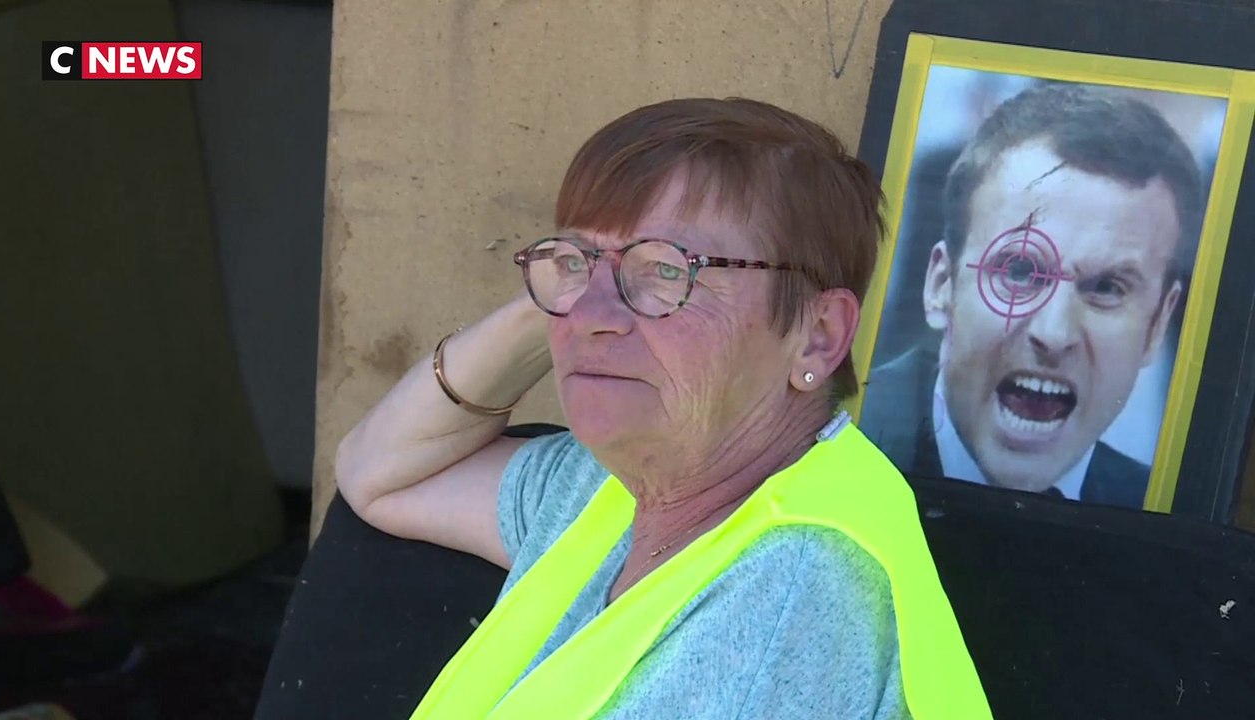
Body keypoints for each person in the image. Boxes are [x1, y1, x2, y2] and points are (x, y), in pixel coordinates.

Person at [336, 97, 990, 718]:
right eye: (572, 262)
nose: (593, 315)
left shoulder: (797, 591)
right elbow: (383, 474)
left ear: (816, 334)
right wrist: (563, 299)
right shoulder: (620, 482)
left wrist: (590, 281)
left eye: (668, 271)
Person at [861, 83, 1203, 509]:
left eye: (1106, 288)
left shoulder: (1151, 506)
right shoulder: (840, 447)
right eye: (1019, 270)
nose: (1054, 333)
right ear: (941, 285)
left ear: (1156, 326)